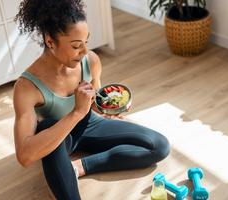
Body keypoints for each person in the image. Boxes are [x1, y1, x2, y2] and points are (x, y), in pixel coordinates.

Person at [13, 0, 170, 199]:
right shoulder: (27, 87)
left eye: (86, 42)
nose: (85, 51)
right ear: (50, 42)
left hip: (89, 124)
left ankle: (77, 168)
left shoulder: (91, 61)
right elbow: (25, 156)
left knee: (159, 145)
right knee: (47, 126)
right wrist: (76, 112)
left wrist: (109, 107)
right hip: (58, 136)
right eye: (76, 46)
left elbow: (95, 102)